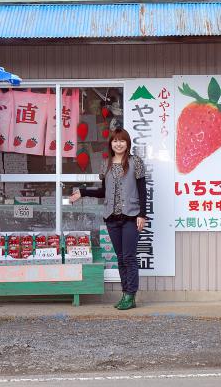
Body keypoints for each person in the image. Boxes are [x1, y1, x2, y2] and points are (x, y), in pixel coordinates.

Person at [69, 128, 147, 310]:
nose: (118, 144)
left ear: (127, 143)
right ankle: (125, 293)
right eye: (115, 141)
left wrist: (142, 215)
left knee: (129, 257)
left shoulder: (135, 162)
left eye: (122, 141)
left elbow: (143, 190)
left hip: (131, 216)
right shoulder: (106, 164)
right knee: (120, 258)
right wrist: (83, 191)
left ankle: (131, 295)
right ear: (110, 144)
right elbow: (103, 191)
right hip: (112, 218)